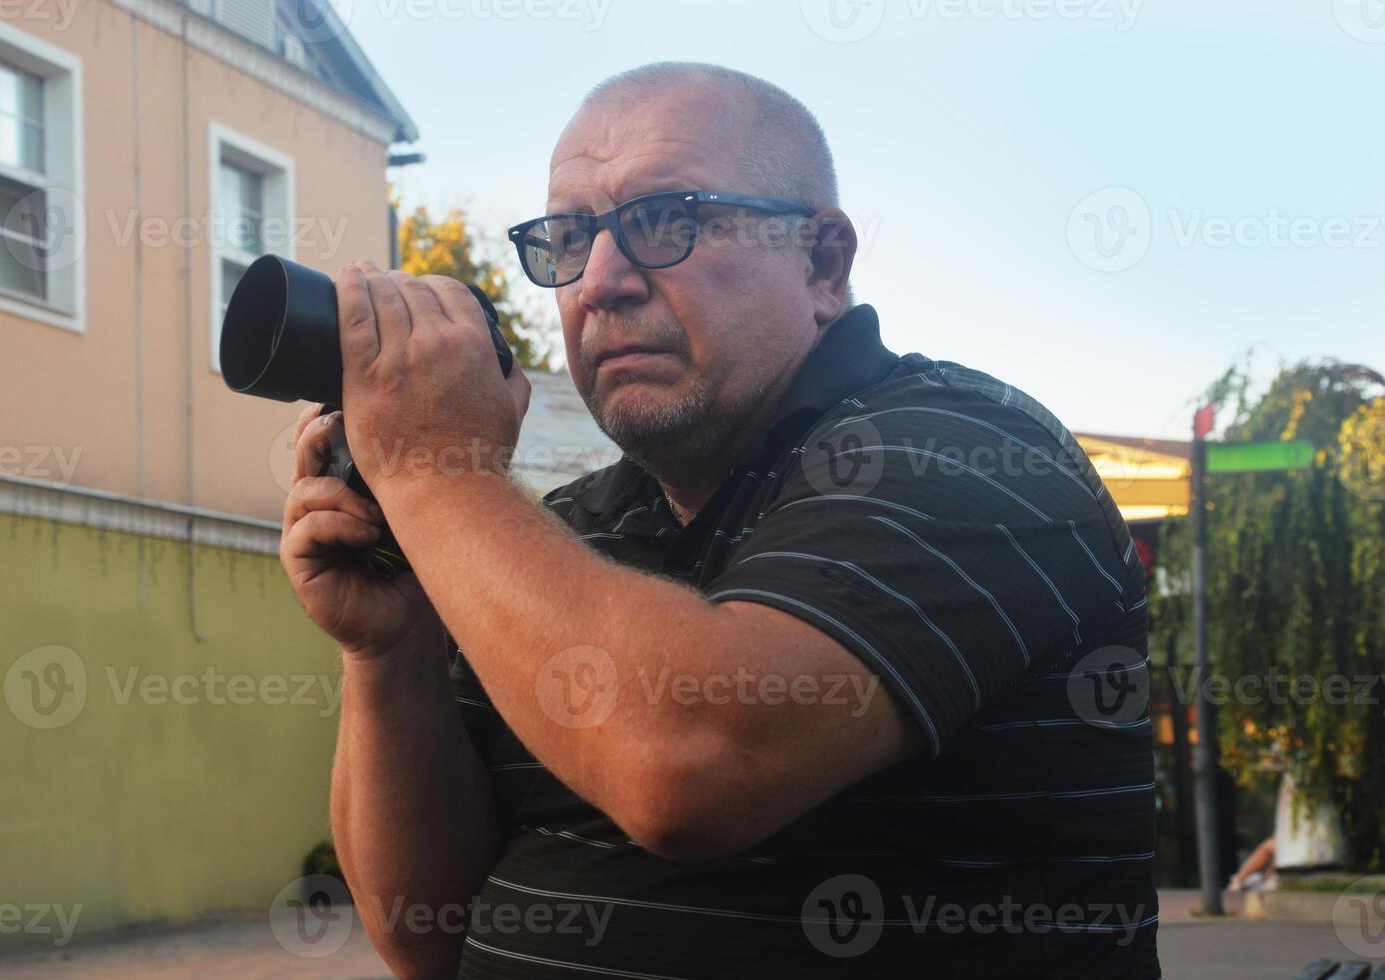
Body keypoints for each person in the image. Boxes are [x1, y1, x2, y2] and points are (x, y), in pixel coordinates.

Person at [279, 62, 1159, 979]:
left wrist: (431, 472)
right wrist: (394, 654)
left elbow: (691, 767)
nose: (600, 282)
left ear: (822, 263)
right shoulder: (568, 535)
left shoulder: (966, 449)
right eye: (570, 238)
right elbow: (422, 935)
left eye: (667, 219)